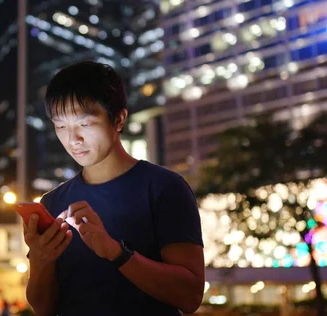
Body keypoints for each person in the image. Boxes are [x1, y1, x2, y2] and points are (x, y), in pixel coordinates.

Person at [23, 61, 205, 315]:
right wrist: (41, 259)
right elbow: (43, 307)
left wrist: (115, 252)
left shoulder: (164, 187)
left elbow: (190, 296)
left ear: (118, 119)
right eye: (61, 126)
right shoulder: (52, 202)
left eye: (84, 124)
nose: (73, 139)